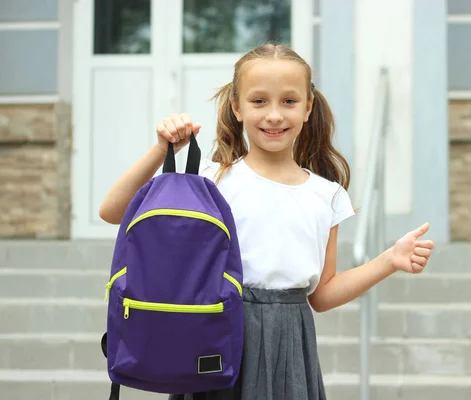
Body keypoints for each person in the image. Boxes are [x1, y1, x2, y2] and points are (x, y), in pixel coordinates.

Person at [99, 42, 434, 400]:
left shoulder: (327, 195)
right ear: (237, 108)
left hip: (289, 344)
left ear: (308, 108)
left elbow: (321, 295)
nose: (274, 115)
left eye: (289, 101)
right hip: (215, 330)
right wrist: (161, 148)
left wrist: (389, 260)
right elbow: (114, 212)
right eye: (259, 101)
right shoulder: (211, 179)